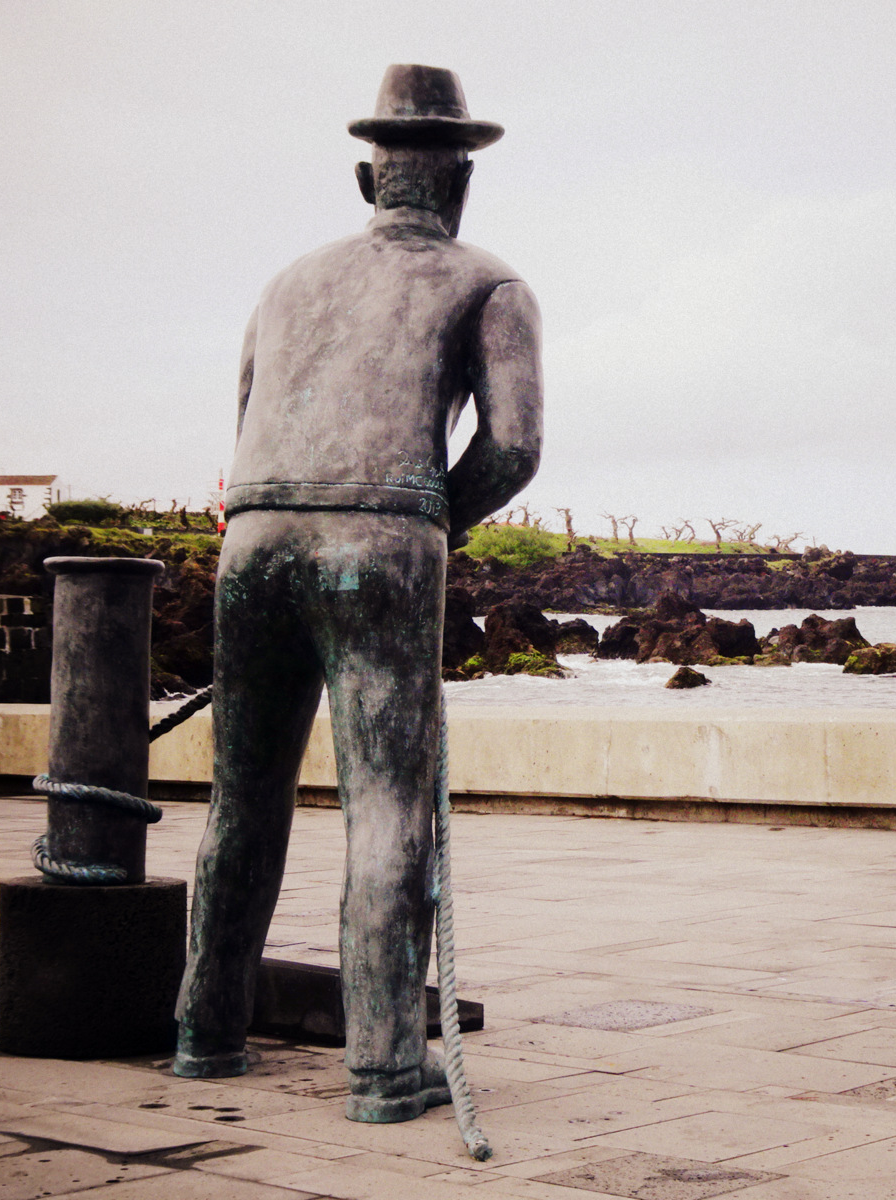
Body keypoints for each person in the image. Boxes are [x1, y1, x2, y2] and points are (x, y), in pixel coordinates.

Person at [173, 64, 542, 1124]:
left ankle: (204, 1033)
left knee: (241, 800)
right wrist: (427, 521)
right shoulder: (490, 283)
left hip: (256, 536)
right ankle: (383, 1068)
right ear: (461, 180)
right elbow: (513, 449)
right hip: (381, 540)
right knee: (385, 806)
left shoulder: (286, 284)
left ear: (366, 179)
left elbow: (246, 423)